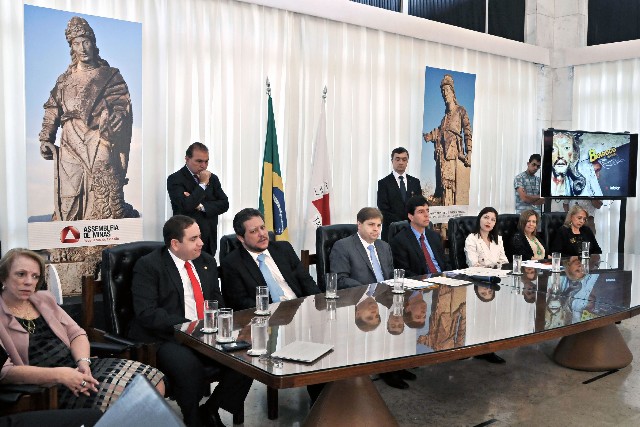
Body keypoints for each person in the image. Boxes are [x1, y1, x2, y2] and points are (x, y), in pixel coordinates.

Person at [0, 248, 164, 413]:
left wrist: (83, 363)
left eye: (35, 276)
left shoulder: (43, 299)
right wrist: (61, 375)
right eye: (21, 274)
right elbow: (5, 372)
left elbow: (76, 333)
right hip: (47, 385)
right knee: (130, 399)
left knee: (152, 381)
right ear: (3, 277)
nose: (29, 282)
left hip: (76, 366)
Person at [130, 215, 251, 427]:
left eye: (200, 237)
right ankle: (192, 419)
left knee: (247, 358)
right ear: (175, 244)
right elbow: (147, 312)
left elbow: (217, 300)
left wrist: (223, 326)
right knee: (189, 367)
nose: (201, 243)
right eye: (194, 239)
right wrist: (189, 326)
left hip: (207, 333)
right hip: (167, 336)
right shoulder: (149, 265)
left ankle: (211, 410)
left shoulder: (206, 261)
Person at [39, 16, 137, 221]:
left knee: (103, 191)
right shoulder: (64, 80)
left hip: (98, 137)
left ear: (93, 43)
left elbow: (121, 105)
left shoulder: (109, 75)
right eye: (77, 43)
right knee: (70, 196)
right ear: (72, 47)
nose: (82, 48)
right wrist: (46, 137)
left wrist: (117, 117)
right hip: (70, 139)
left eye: (86, 42)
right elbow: (52, 108)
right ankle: (71, 237)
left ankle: (105, 235)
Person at [221, 208, 321, 311]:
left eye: (262, 227)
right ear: (241, 238)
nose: (262, 234)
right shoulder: (232, 263)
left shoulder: (284, 249)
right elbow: (240, 303)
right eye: (254, 231)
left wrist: (320, 306)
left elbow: (307, 282)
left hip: (298, 309)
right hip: (266, 315)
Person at [167, 142, 229, 256]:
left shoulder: (213, 179)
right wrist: (203, 184)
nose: (204, 166)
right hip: (186, 240)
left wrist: (201, 206)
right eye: (199, 161)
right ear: (187, 159)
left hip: (209, 239)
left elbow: (225, 204)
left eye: (206, 161)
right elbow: (186, 206)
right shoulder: (175, 179)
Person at [423, 74, 472, 206]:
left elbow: (467, 132)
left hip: (453, 152)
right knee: (443, 185)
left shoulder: (461, 110)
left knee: (450, 185)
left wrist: (469, 152)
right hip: (442, 155)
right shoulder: (444, 119)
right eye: (443, 91)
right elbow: (439, 131)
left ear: (452, 92)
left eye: (447, 90)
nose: (445, 94)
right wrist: (429, 136)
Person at [329, 207, 394, 289]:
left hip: (386, 294)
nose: (376, 229)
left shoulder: (384, 246)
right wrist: (366, 289)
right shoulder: (343, 246)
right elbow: (340, 279)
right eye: (371, 224)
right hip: (359, 295)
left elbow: (391, 275)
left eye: (379, 225)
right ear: (359, 225)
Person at [389, 195, 450, 277]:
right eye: (421, 212)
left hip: (443, 280)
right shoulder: (400, 241)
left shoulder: (435, 236)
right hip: (421, 282)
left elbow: (446, 263)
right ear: (411, 217)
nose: (426, 215)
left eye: (427, 211)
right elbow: (405, 272)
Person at [376, 147, 422, 241]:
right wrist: (404, 223)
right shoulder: (383, 183)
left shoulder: (415, 182)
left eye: (404, 159)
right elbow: (383, 208)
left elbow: (419, 205)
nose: (401, 162)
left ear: (407, 162)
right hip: (392, 231)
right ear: (392, 161)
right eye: (397, 159)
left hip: (413, 231)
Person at [550, 132, 603, 197]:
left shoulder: (584, 177)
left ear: (573, 155)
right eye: (553, 149)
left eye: (566, 148)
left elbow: (598, 201)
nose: (560, 155)